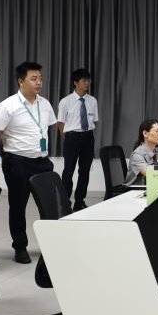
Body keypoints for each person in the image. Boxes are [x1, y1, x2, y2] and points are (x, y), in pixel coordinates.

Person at [0, 61, 56, 264]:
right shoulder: (7, 106)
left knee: (49, 205)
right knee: (18, 206)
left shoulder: (45, 104)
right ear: (21, 81)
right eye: (34, 78)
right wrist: (4, 158)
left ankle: (52, 244)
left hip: (42, 162)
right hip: (17, 162)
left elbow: (46, 129)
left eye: (40, 78)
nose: (39, 82)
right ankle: (20, 246)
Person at [57, 68, 98, 211]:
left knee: (85, 171)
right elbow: (60, 123)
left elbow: (94, 121)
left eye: (88, 80)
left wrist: (87, 135)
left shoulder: (92, 100)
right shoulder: (65, 101)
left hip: (88, 137)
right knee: (68, 170)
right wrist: (67, 137)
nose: (87, 83)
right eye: (84, 80)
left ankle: (79, 201)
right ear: (75, 82)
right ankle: (65, 202)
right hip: (72, 137)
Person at [123, 119, 158, 186]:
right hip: (135, 190)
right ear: (145, 133)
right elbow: (153, 174)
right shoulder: (137, 155)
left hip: (151, 187)